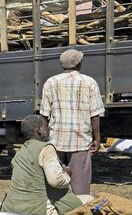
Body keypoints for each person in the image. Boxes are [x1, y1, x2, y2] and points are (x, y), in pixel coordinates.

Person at [2, 115, 87, 215]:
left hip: (11, 214)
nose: (49, 129)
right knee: (89, 202)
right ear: (39, 130)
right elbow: (55, 181)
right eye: (46, 126)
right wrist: (67, 174)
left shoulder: (20, 153)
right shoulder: (46, 148)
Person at [40, 49, 104, 195]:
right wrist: (98, 138)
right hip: (80, 142)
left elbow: (44, 114)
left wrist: (45, 139)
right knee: (81, 189)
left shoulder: (50, 82)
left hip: (56, 142)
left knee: (55, 184)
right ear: (79, 64)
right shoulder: (89, 82)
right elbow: (95, 115)